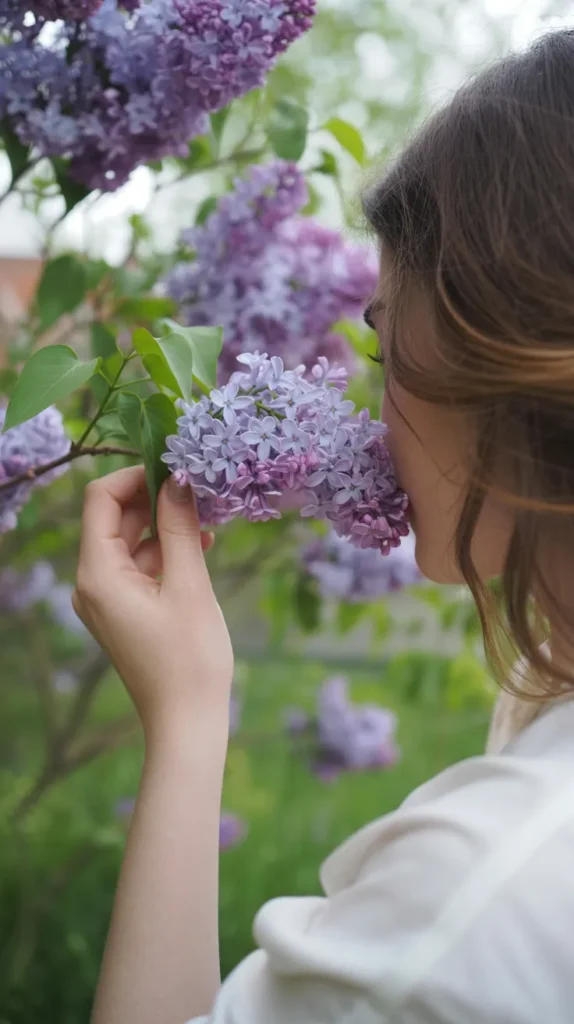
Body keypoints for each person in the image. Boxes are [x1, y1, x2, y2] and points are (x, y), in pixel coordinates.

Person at [78, 28, 574, 1024]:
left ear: (504, 355)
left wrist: (183, 720)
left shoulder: (475, 908)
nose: (369, 412)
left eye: (386, 349)